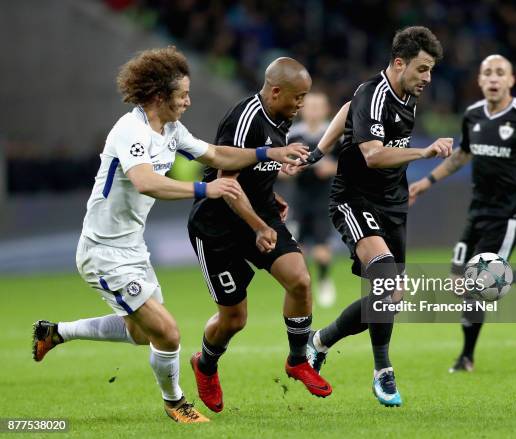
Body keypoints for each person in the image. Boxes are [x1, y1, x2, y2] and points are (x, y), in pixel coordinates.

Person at [31, 47, 308, 423]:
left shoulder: (173, 130)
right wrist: (204, 190)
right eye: (183, 95)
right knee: (168, 333)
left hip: (132, 248)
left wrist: (267, 152)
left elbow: (216, 156)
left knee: (141, 333)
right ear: (160, 96)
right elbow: (145, 181)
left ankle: (56, 332)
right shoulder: (130, 129)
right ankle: (176, 402)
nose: (189, 101)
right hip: (102, 252)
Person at [301, 26, 451, 407]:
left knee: (389, 297)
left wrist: (319, 150)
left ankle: (319, 341)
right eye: (422, 69)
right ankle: (383, 371)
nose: (427, 78)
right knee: (383, 272)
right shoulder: (374, 93)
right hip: (355, 199)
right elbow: (373, 154)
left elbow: (345, 109)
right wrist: (425, 153)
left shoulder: (405, 94)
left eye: (430, 70)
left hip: (392, 203)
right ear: (399, 63)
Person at [408, 54, 516, 373]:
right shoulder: (472, 116)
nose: (494, 78)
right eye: (488, 73)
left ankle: (465, 358)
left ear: (511, 80)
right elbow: (463, 154)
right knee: (459, 283)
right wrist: (426, 182)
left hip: (508, 215)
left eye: (500, 73)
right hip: (477, 211)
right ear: (480, 81)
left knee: (477, 287)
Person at [187, 57, 333, 414]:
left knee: (299, 280)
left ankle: (298, 360)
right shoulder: (244, 119)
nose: (302, 104)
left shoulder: (282, 116)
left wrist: (270, 197)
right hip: (218, 224)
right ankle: (204, 365)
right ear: (275, 91)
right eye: (298, 97)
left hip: (259, 211)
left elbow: (258, 169)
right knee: (234, 319)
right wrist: (259, 226)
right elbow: (227, 183)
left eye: (306, 97)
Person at [286, 92, 339, 308]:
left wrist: (332, 168)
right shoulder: (291, 135)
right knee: (298, 250)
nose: (314, 110)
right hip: (299, 199)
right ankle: (304, 287)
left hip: (324, 198)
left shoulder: (335, 134)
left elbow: (352, 165)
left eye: (319, 106)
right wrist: (290, 170)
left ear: (326, 110)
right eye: (310, 106)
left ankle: (324, 280)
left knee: (321, 250)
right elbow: (277, 168)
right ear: (302, 109)